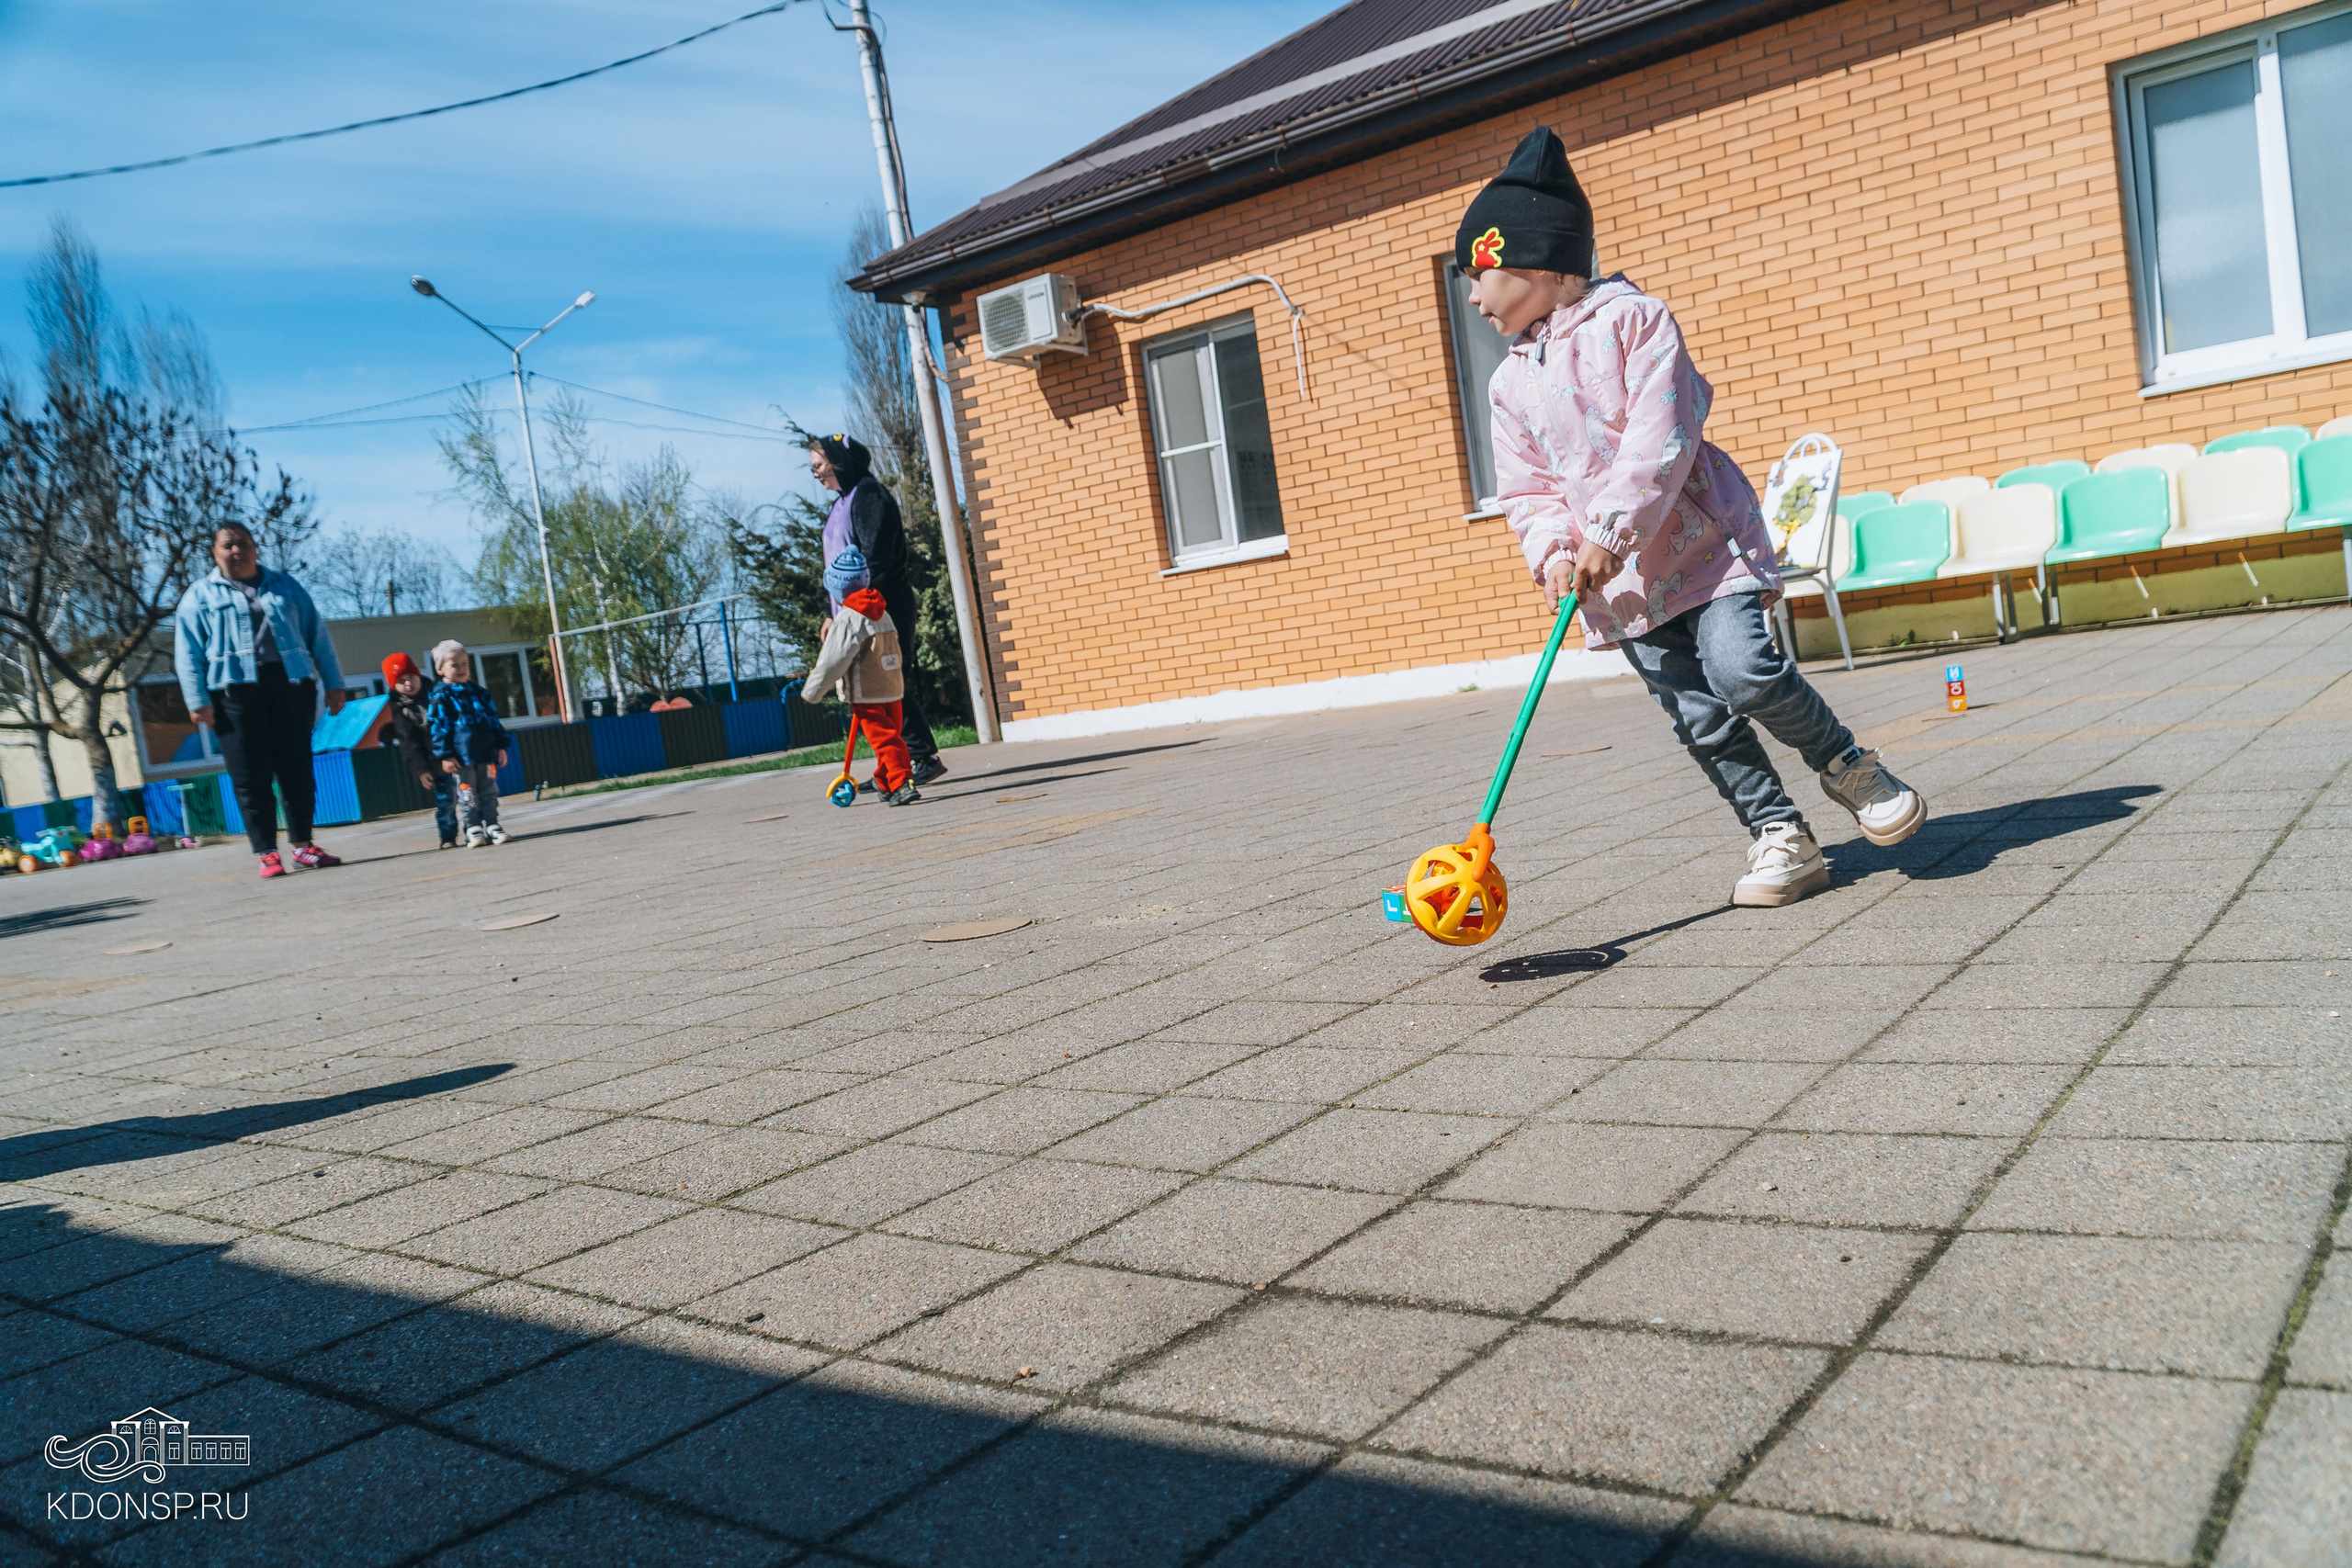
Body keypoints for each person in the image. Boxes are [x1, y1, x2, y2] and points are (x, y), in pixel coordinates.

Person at [1463, 127, 1925, 907]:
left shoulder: (1635, 322)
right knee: (1699, 716)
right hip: (1620, 589)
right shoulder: (1507, 387)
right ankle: (1780, 834)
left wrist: (1611, 530)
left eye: (1480, 275)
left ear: (1537, 263)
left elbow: (1663, 436)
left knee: (1743, 672)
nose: (1473, 298)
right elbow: (1527, 489)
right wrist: (1553, 555)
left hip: (1705, 549)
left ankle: (1848, 765)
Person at [172, 522, 348, 880]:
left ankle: (303, 846)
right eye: (227, 545)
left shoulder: (285, 586)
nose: (236, 551)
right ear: (214, 552)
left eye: (243, 544)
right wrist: (197, 700)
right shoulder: (200, 595)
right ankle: (267, 852)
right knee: (250, 775)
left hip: (290, 686)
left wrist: (334, 684)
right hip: (234, 693)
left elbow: (318, 636)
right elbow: (187, 653)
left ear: (255, 548)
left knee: (296, 769)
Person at [810, 433, 948, 786]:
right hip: (855, 609)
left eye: (820, 465)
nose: (816, 473)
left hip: (880, 606)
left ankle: (920, 757)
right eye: (813, 468)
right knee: (874, 684)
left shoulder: (868, 495)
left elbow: (877, 561)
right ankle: (895, 763)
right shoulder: (843, 501)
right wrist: (833, 613)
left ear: (841, 462)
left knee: (885, 681)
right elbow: (838, 567)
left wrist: (862, 609)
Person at [803, 547, 920, 807]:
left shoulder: (848, 619)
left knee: (884, 739)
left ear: (837, 589)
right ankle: (885, 780)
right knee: (892, 736)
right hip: (892, 685)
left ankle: (901, 783)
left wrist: (813, 691)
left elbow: (832, 660)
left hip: (867, 691)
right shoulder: (881, 611)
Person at [425, 639, 512, 847]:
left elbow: (492, 718)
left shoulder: (479, 692)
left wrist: (500, 746)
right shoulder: (441, 696)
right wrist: (445, 755)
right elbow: (438, 727)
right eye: (455, 665)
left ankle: (492, 824)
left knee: (489, 790)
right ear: (440, 669)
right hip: (461, 756)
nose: (462, 669)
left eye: (465, 664)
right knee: (467, 793)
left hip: (485, 752)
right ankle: (472, 828)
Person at [382, 652, 456, 849]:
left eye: (411, 677)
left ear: (418, 675)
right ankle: (448, 836)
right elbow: (409, 743)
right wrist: (422, 770)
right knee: (445, 801)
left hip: (457, 756)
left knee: (469, 796)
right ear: (393, 685)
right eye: (401, 681)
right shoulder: (401, 709)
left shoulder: (436, 693)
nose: (408, 684)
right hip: (434, 763)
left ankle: (477, 829)